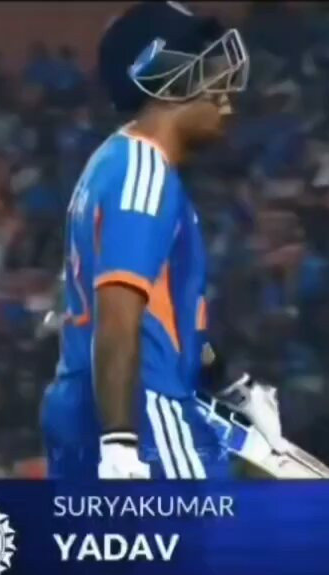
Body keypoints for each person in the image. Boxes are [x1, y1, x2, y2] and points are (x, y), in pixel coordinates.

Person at [39, 1, 251, 480]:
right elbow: (119, 317)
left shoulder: (113, 163)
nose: (223, 85)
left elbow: (156, 311)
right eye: (204, 65)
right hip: (145, 414)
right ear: (161, 77)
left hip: (90, 410)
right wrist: (120, 442)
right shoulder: (144, 172)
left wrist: (222, 378)